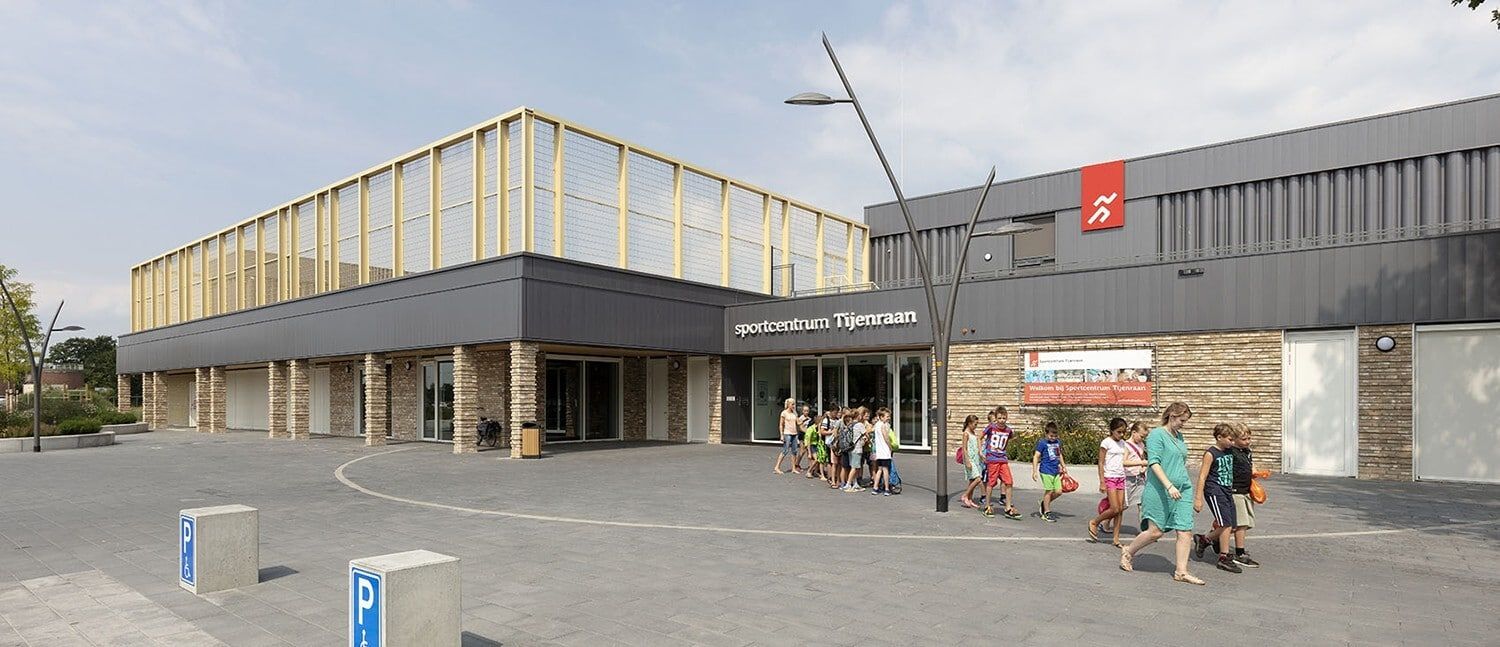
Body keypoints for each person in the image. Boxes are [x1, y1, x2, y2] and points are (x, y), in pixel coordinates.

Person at [1120, 402, 1205, 585]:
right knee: (1155, 532)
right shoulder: (1157, 435)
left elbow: (1178, 462)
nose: (1184, 424)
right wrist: (1169, 486)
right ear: (1172, 416)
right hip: (1160, 489)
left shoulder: (1179, 436)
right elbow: (1154, 463)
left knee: (1185, 530)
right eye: (1182, 420)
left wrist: (1179, 484)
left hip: (1183, 489)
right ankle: (1128, 551)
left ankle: (1181, 571)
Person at [1193, 424, 1242, 573]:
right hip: (1215, 490)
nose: (1232, 442)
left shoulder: (1229, 450)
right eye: (1230, 439)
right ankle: (1223, 557)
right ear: (1219, 437)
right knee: (1225, 524)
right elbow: (1202, 476)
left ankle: (1205, 539)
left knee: (1232, 525)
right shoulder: (1211, 453)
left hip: (1227, 490)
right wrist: (1198, 498)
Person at [1088, 417, 1130, 545]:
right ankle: (1095, 522)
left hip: (1121, 477)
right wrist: (1102, 481)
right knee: (1114, 508)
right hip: (1110, 477)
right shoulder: (1106, 443)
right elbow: (1101, 462)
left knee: (1120, 509)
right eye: (1119, 432)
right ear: (1112, 430)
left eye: (1123, 432)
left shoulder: (1123, 443)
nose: (1121, 435)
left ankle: (1116, 539)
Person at [1227, 422, 1260, 568]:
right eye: (1244, 439)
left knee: (1243, 523)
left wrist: (1254, 470)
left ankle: (1210, 538)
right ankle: (1239, 553)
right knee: (1242, 523)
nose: (1247, 441)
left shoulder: (1247, 451)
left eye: (1249, 438)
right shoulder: (1231, 452)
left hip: (1246, 490)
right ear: (1234, 439)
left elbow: (1250, 465)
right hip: (1235, 491)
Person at [982, 407, 1023, 519]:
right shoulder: (991, 427)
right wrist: (981, 452)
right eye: (999, 418)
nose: (1001, 420)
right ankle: (987, 505)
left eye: (1004, 418)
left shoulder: (1008, 430)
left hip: (1003, 459)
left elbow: (1010, 438)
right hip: (992, 460)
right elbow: (980, 437)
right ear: (996, 418)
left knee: (1009, 481)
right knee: (991, 482)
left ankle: (1008, 508)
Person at [1031, 422, 1068, 522]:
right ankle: (1046, 512)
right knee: (1049, 491)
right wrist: (1034, 471)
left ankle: (1044, 503)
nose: (1053, 438)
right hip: (1046, 470)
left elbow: (1059, 455)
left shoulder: (1057, 442)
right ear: (1046, 434)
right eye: (1051, 436)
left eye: (1055, 436)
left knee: (1059, 491)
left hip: (1055, 470)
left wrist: (1063, 466)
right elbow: (1036, 456)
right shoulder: (1042, 443)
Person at [841, 408, 870, 492]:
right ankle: (848, 485)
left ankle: (856, 484)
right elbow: (866, 434)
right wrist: (867, 439)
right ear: (858, 416)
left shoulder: (851, 424)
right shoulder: (859, 425)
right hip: (857, 449)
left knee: (855, 467)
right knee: (854, 467)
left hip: (850, 448)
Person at [959, 415, 984, 508]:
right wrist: (967, 461)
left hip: (975, 459)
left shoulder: (973, 432)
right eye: (975, 424)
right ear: (969, 423)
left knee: (972, 480)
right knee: (978, 479)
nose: (976, 426)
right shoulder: (966, 434)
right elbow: (964, 448)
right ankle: (965, 495)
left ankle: (969, 499)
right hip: (970, 459)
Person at [869, 407, 895, 496]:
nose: (888, 418)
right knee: (885, 470)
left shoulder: (877, 425)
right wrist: (890, 447)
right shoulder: (883, 425)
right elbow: (886, 437)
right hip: (884, 451)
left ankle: (875, 487)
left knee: (879, 469)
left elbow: (871, 430)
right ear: (881, 417)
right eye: (887, 416)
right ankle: (887, 489)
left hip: (879, 451)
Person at [773, 398, 800, 475]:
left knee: (794, 451)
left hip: (794, 433)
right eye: (792, 404)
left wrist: (801, 417)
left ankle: (793, 468)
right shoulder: (784, 413)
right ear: (788, 404)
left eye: (794, 404)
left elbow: (798, 423)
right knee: (785, 450)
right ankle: (777, 467)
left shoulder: (794, 413)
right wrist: (781, 435)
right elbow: (781, 425)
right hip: (787, 433)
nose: (793, 406)